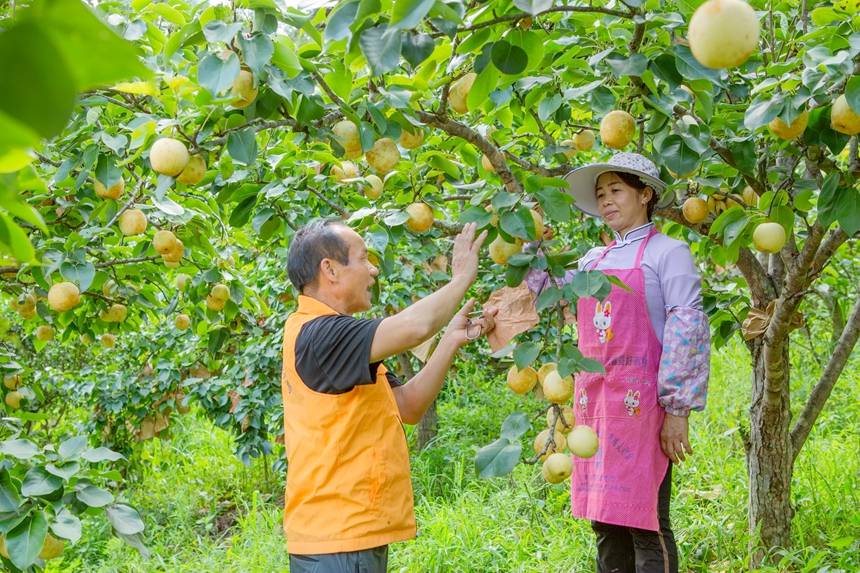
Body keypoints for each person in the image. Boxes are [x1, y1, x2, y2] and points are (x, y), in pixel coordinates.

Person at [527, 152, 710, 572]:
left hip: (643, 408)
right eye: (600, 194)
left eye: (616, 190)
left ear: (645, 194)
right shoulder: (593, 260)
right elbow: (552, 296)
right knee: (605, 520)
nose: (606, 200)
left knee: (646, 521)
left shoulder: (668, 252)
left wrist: (677, 410)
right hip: (594, 407)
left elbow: (687, 329)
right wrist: (531, 241)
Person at [280, 218, 496, 573]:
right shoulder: (320, 334)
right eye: (363, 258)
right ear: (330, 270)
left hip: (349, 537)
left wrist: (451, 340)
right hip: (338, 538)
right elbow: (415, 327)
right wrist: (460, 279)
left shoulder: (340, 343)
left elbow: (408, 406)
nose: (373, 270)